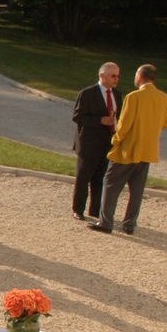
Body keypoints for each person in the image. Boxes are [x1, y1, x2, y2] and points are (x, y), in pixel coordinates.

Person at [91, 63, 167, 236]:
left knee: (111, 184)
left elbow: (124, 124)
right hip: (148, 149)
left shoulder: (134, 97)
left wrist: (116, 139)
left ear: (140, 76)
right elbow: (166, 122)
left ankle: (106, 222)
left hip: (128, 148)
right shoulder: (164, 97)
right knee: (137, 189)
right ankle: (129, 224)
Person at [72, 62, 123, 222]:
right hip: (88, 144)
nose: (116, 79)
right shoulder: (87, 93)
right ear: (102, 76)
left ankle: (95, 210)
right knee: (83, 178)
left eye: (118, 75)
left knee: (100, 178)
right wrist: (100, 120)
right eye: (113, 76)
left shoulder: (117, 95)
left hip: (107, 144)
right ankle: (78, 209)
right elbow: (78, 117)